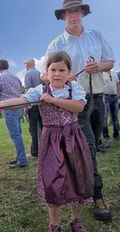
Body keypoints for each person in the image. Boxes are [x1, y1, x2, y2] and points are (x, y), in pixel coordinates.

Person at [0, 51, 94, 232]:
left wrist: (51, 100)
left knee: (79, 178)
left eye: (62, 70)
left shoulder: (74, 88)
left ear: (69, 72)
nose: (57, 74)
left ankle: (76, 220)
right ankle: (54, 224)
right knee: (52, 182)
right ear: (47, 72)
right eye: (53, 69)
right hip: (51, 141)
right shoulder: (39, 90)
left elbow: (79, 107)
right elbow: (21, 100)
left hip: (73, 138)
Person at [42, 0, 114, 221]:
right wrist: (63, 77)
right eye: (68, 12)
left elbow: (110, 61)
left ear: (83, 13)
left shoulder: (96, 36)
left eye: (77, 11)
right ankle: (96, 194)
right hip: (76, 105)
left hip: (99, 98)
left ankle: (79, 187)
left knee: (92, 146)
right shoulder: (56, 44)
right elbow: (45, 75)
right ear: (63, 16)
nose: (73, 15)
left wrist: (99, 66)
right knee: (89, 147)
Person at [0, 59, 28, 168]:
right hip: (19, 107)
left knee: (15, 136)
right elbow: (20, 91)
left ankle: (22, 160)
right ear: (7, 66)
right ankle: (20, 157)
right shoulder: (15, 77)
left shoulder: (0, 78)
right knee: (18, 134)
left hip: (10, 108)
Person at [24, 58, 43, 158]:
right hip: (42, 103)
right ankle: (45, 148)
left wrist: (26, 107)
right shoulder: (40, 73)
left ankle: (35, 152)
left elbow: (28, 90)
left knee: (33, 129)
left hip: (33, 104)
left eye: (25, 63)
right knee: (43, 127)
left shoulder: (28, 74)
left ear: (28, 64)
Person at [102, 71, 120, 143]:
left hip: (115, 97)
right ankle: (106, 137)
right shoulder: (102, 73)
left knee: (115, 118)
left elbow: (118, 85)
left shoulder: (114, 73)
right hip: (105, 97)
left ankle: (116, 135)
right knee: (105, 118)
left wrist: (118, 96)